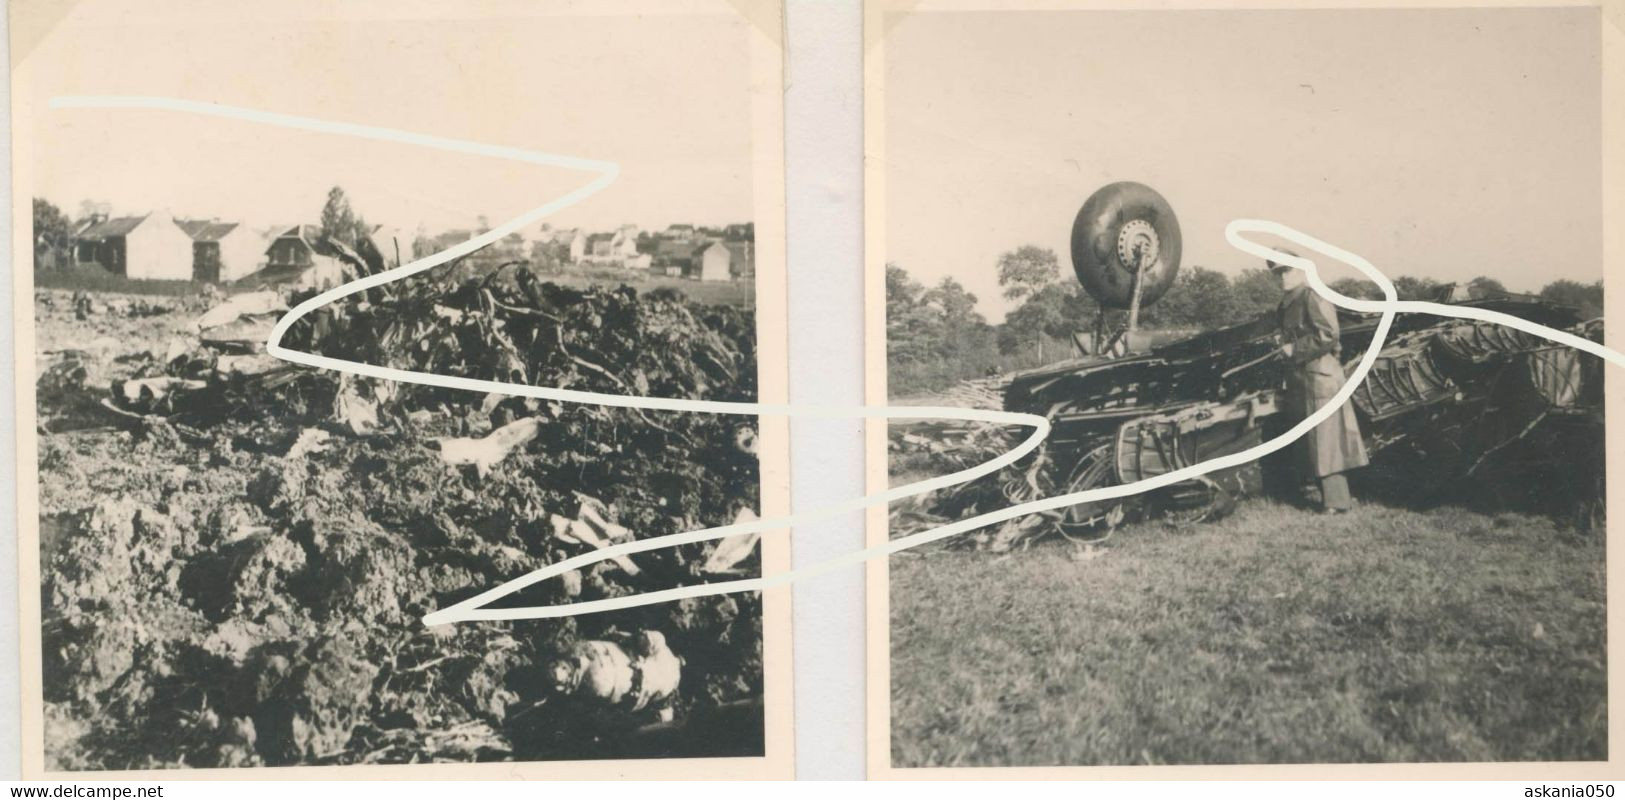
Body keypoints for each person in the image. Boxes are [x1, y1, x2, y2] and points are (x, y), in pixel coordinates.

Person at [1270, 250, 1368, 513]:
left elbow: (1328, 334)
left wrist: (1295, 349)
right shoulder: (1287, 302)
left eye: (1287, 270)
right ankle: (1328, 497)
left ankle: (1337, 503)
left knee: (1326, 441)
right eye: (1277, 272)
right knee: (1314, 441)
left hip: (1319, 377)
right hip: (1303, 378)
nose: (1282, 277)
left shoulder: (1312, 295)